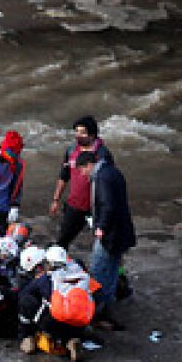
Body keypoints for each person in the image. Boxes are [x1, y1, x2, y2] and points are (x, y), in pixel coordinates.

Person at [77, 149, 136, 331]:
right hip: (122, 233)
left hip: (110, 234)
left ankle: (97, 314)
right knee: (111, 272)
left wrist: (100, 226)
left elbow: (107, 204)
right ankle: (107, 310)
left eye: (82, 170)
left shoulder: (101, 177)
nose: (82, 175)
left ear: (88, 165)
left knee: (98, 272)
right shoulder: (113, 171)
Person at [50, 116, 114, 249]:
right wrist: (56, 199)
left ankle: (115, 268)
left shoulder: (102, 155)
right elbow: (64, 176)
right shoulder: (71, 150)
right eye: (77, 132)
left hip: (95, 207)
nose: (78, 136)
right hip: (75, 205)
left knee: (106, 242)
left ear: (92, 135)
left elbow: (109, 182)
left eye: (82, 133)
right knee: (62, 241)